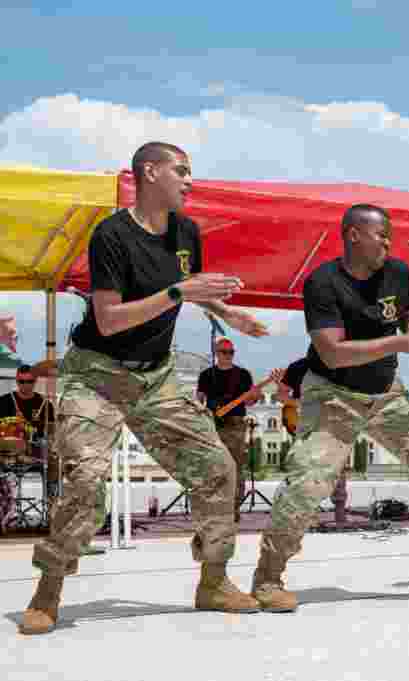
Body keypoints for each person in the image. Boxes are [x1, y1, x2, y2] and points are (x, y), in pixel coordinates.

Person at [19, 142, 269, 636]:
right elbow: (109, 320)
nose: (190, 181)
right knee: (86, 479)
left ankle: (213, 582)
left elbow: (190, 284)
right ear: (150, 173)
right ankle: (47, 592)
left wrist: (227, 312)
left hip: (156, 377)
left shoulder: (185, 232)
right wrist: (179, 293)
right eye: (182, 171)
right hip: (97, 375)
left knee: (218, 468)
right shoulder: (112, 235)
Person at [250, 204, 409, 610]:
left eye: (390, 237)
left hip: (386, 393)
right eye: (381, 235)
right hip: (332, 393)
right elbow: (332, 353)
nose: (388, 243)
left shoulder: (399, 273)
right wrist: (401, 343)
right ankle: (267, 577)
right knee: (309, 480)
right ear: (353, 235)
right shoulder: (323, 283)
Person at [274, 356, 349, 525]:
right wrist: (296, 401)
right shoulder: (297, 366)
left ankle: (340, 511)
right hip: (306, 425)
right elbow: (280, 395)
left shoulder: (338, 363)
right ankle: (310, 515)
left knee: (337, 466)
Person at [196, 338, 259, 522]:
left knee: (235, 466)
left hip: (235, 424)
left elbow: (250, 401)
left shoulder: (243, 374)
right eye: (224, 352)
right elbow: (199, 400)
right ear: (216, 353)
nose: (228, 355)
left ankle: (233, 508)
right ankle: (214, 508)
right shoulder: (206, 375)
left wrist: (254, 396)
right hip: (213, 424)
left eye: (231, 352)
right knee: (213, 465)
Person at [0, 365, 57, 496]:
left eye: (29, 381)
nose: (25, 385)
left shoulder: (44, 403)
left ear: (35, 381)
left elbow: (51, 432)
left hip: (35, 448)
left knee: (54, 459)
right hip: (6, 449)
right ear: (16, 381)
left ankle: (51, 495)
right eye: (22, 381)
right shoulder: (3, 401)